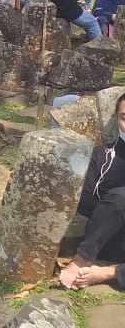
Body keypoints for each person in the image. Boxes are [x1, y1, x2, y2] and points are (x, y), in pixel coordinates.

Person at [59, 91, 125, 291]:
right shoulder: (101, 155)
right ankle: (82, 259)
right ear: (116, 118)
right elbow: (86, 201)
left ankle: (109, 273)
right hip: (108, 237)